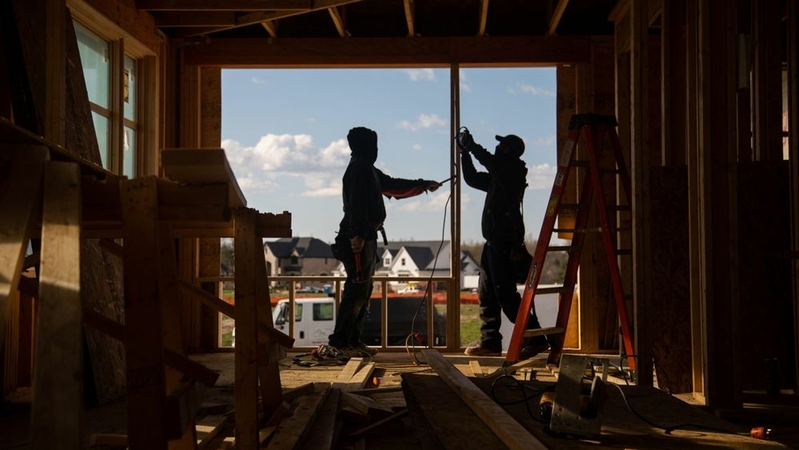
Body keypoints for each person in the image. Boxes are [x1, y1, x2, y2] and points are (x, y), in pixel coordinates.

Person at [328, 126, 441, 357]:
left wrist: (422, 184)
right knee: (357, 291)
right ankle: (341, 342)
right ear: (367, 147)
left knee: (362, 290)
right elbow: (356, 206)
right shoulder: (360, 169)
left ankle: (351, 340)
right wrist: (357, 235)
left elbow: (392, 185)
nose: (376, 150)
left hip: (364, 237)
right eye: (374, 146)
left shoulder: (365, 168)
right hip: (358, 238)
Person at [458, 129, 551, 359]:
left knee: (506, 296)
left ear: (507, 151)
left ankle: (536, 338)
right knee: (487, 293)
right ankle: (490, 341)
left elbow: (491, 162)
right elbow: (471, 179)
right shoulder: (500, 177)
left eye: (501, 146)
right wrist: (465, 154)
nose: (497, 149)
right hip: (493, 245)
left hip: (504, 246)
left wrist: (472, 147)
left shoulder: (511, 174)